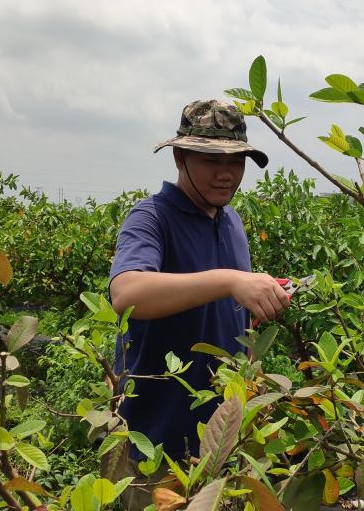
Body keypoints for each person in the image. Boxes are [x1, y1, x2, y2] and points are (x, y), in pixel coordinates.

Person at [108, 100, 292, 504]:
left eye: (237, 160)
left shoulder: (231, 221)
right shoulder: (151, 218)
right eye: (211, 159)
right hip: (155, 448)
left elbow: (221, 306)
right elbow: (126, 294)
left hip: (221, 441)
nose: (227, 173)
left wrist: (257, 297)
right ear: (180, 157)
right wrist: (230, 281)